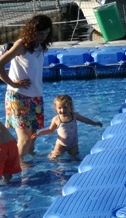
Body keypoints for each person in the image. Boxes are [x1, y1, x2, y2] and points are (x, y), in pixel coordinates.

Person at [0, 15, 52, 167]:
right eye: (40, 33)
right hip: (19, 97)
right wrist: (12, 83)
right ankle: (12, 167)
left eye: (46, 33)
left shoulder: (40, 45)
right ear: (32, 31)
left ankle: (24, 158)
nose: (43, 37)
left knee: (33, 136)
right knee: (25, 139)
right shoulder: (22, 45)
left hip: (35, 96)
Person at [33, 94, 102, 161]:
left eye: (65, 107)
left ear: (70, 107)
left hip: (73, 144)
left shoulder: (74, 115)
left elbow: (85, 120)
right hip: (61, 144)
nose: (62, 110)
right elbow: (50, 130)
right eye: (59, 108)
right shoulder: (56, 119)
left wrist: (95, 123)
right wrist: (40, 133)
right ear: (55, 108)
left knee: (75, 158)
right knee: (54, 157)